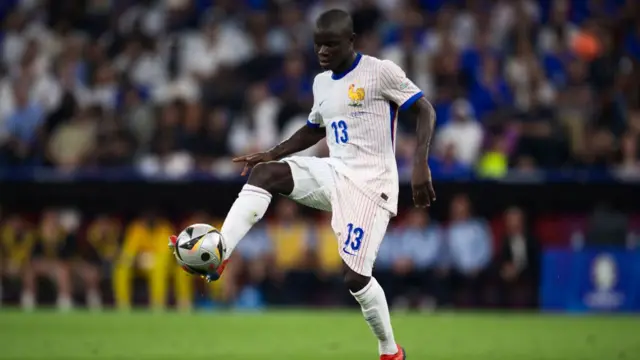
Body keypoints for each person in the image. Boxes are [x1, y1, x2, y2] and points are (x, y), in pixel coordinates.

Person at [170, 9, 436, 360]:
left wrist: (420, 164)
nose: (323, 52)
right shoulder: (321, 83)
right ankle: (220, 254)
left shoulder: (380, 71)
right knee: (265, 174)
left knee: (355, 278)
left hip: (372, 186)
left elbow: (426, 110)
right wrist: (272, 152)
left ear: (351, 42)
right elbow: (315, 127)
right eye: (318, 45)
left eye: (331, 44)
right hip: (335, 171)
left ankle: (390, 351)